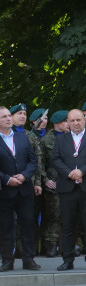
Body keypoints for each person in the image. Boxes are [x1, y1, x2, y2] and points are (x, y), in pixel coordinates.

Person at [52, 109, 86, 272]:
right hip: (67, 188)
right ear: (68, 122)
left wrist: (81, 172)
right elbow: (56, 159)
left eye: (78, 120)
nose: (75, 123)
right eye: (72, 121)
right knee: (68, 225)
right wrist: (70, 173)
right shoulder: (61, 140)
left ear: (84, 120)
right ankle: (67, 259)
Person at [0, 106, 40, 271]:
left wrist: (24, 176)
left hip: (24, 189)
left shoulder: (22, 137)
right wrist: (7, 179)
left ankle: (28, 259)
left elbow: (33, 160)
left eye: (9, 115)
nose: (9, 119)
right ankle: (7, 260)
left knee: (28, 225)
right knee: (5, 227)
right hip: (5, 190)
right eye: (4, 117)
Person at [39, 110, 68, 257]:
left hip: (70, 182)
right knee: (53, 215)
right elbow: (40, 164)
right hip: (53, 183)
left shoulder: (72, 138)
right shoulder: (46, 140)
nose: (69, 124)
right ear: (57, 123)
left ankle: (68, 245)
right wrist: (45, 180)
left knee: (70, 215)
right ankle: (51, 244)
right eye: (66, 121)